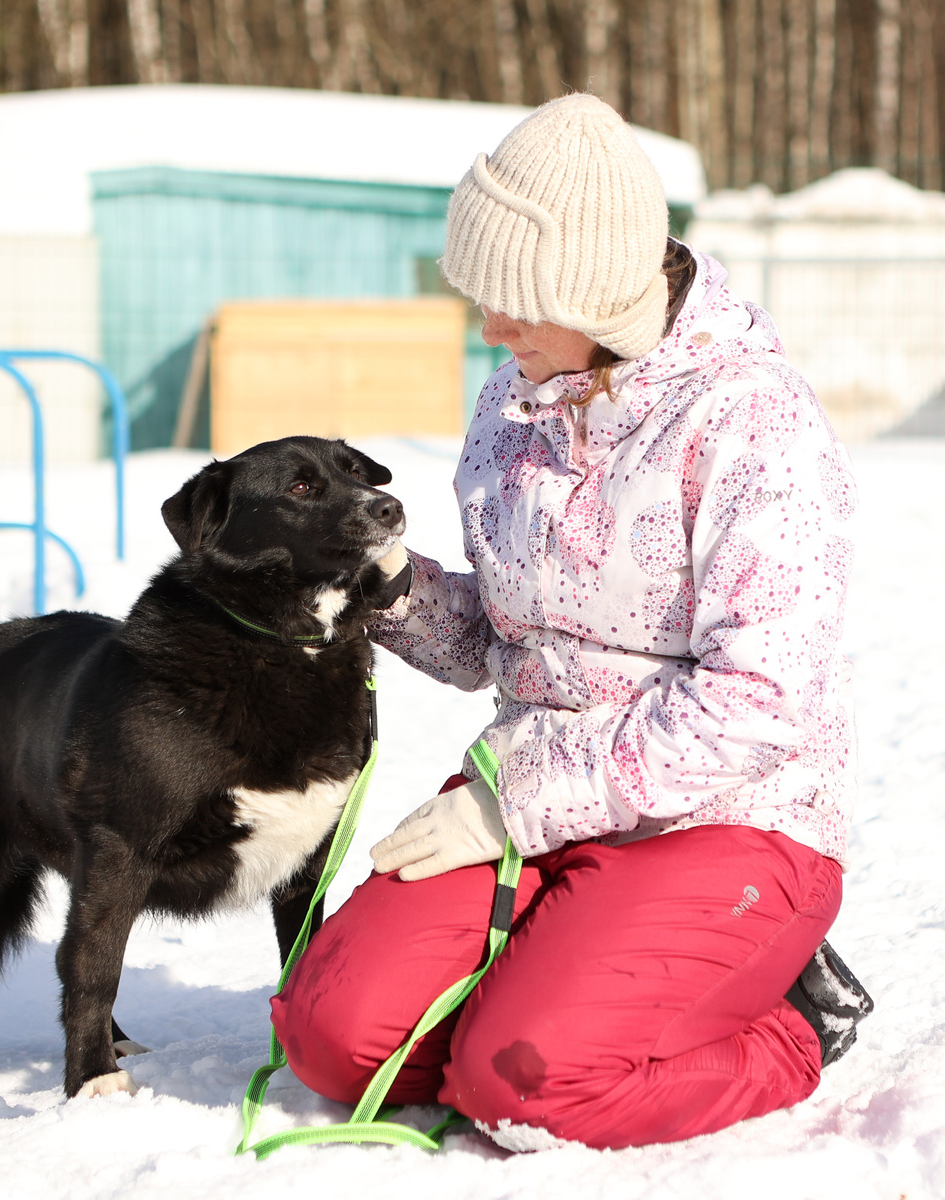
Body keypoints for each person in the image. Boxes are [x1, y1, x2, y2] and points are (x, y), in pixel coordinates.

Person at [271, 93, 872, 1152]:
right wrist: (391, 590)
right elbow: (507, 640)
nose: (488, 328)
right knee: (331, 1037)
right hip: (536, 793)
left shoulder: (755, 425)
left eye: (511, 303)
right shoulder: (518, 402)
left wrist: (519, 811)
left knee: (521, 1088)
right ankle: (563, 975)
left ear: (592, 295)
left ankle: (789, 1022)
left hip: (726, 818)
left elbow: (755, 702)